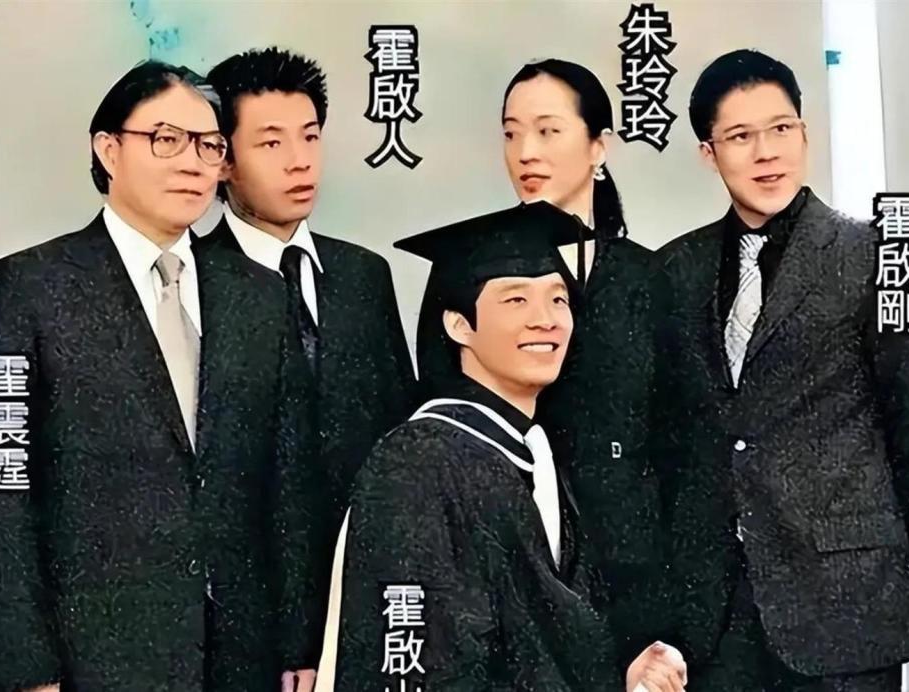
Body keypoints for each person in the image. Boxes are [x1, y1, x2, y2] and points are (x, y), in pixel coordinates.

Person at [0, 61, 311, 692]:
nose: (192, 162)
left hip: (241, 656)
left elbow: (289, 482)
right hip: (92, 657)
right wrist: (25, 666)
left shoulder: (260, 295)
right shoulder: (27, 289)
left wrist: (297, 640)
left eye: (209, 145)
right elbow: (4, 490)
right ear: (108, 150)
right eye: (167, 140)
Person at [652, 49, 909, 691]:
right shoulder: (675, 269)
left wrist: (863, 535)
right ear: (708, 153)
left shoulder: (880, 254)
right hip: (716, 614)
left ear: (805, 133)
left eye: (781, 128)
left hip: (847, 603)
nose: (767, 152)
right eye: (741, 136)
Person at [325, 201, 686, 692]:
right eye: (516, 300)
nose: (546, 320)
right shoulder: (418, 462)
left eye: (558, 299)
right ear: (459, 325)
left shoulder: (531, 451)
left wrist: (624, 674)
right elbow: (425, 661)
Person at [415, 58, 665, 664]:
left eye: (548, 131)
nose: (525, 152)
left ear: (599, 146)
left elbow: (681, 448)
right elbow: (443, 424)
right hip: (510, 575)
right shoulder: (464, 274)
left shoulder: (650, 278)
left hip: (632, 583)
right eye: (511, 133)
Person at [202, 47, 416, 691]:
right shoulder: (195, 281)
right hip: (242, 633)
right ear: (223, 159)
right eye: (271, 143)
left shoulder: (363, 276)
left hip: (364, 603)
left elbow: (398, 445)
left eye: (311, 136)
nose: (300, 161)